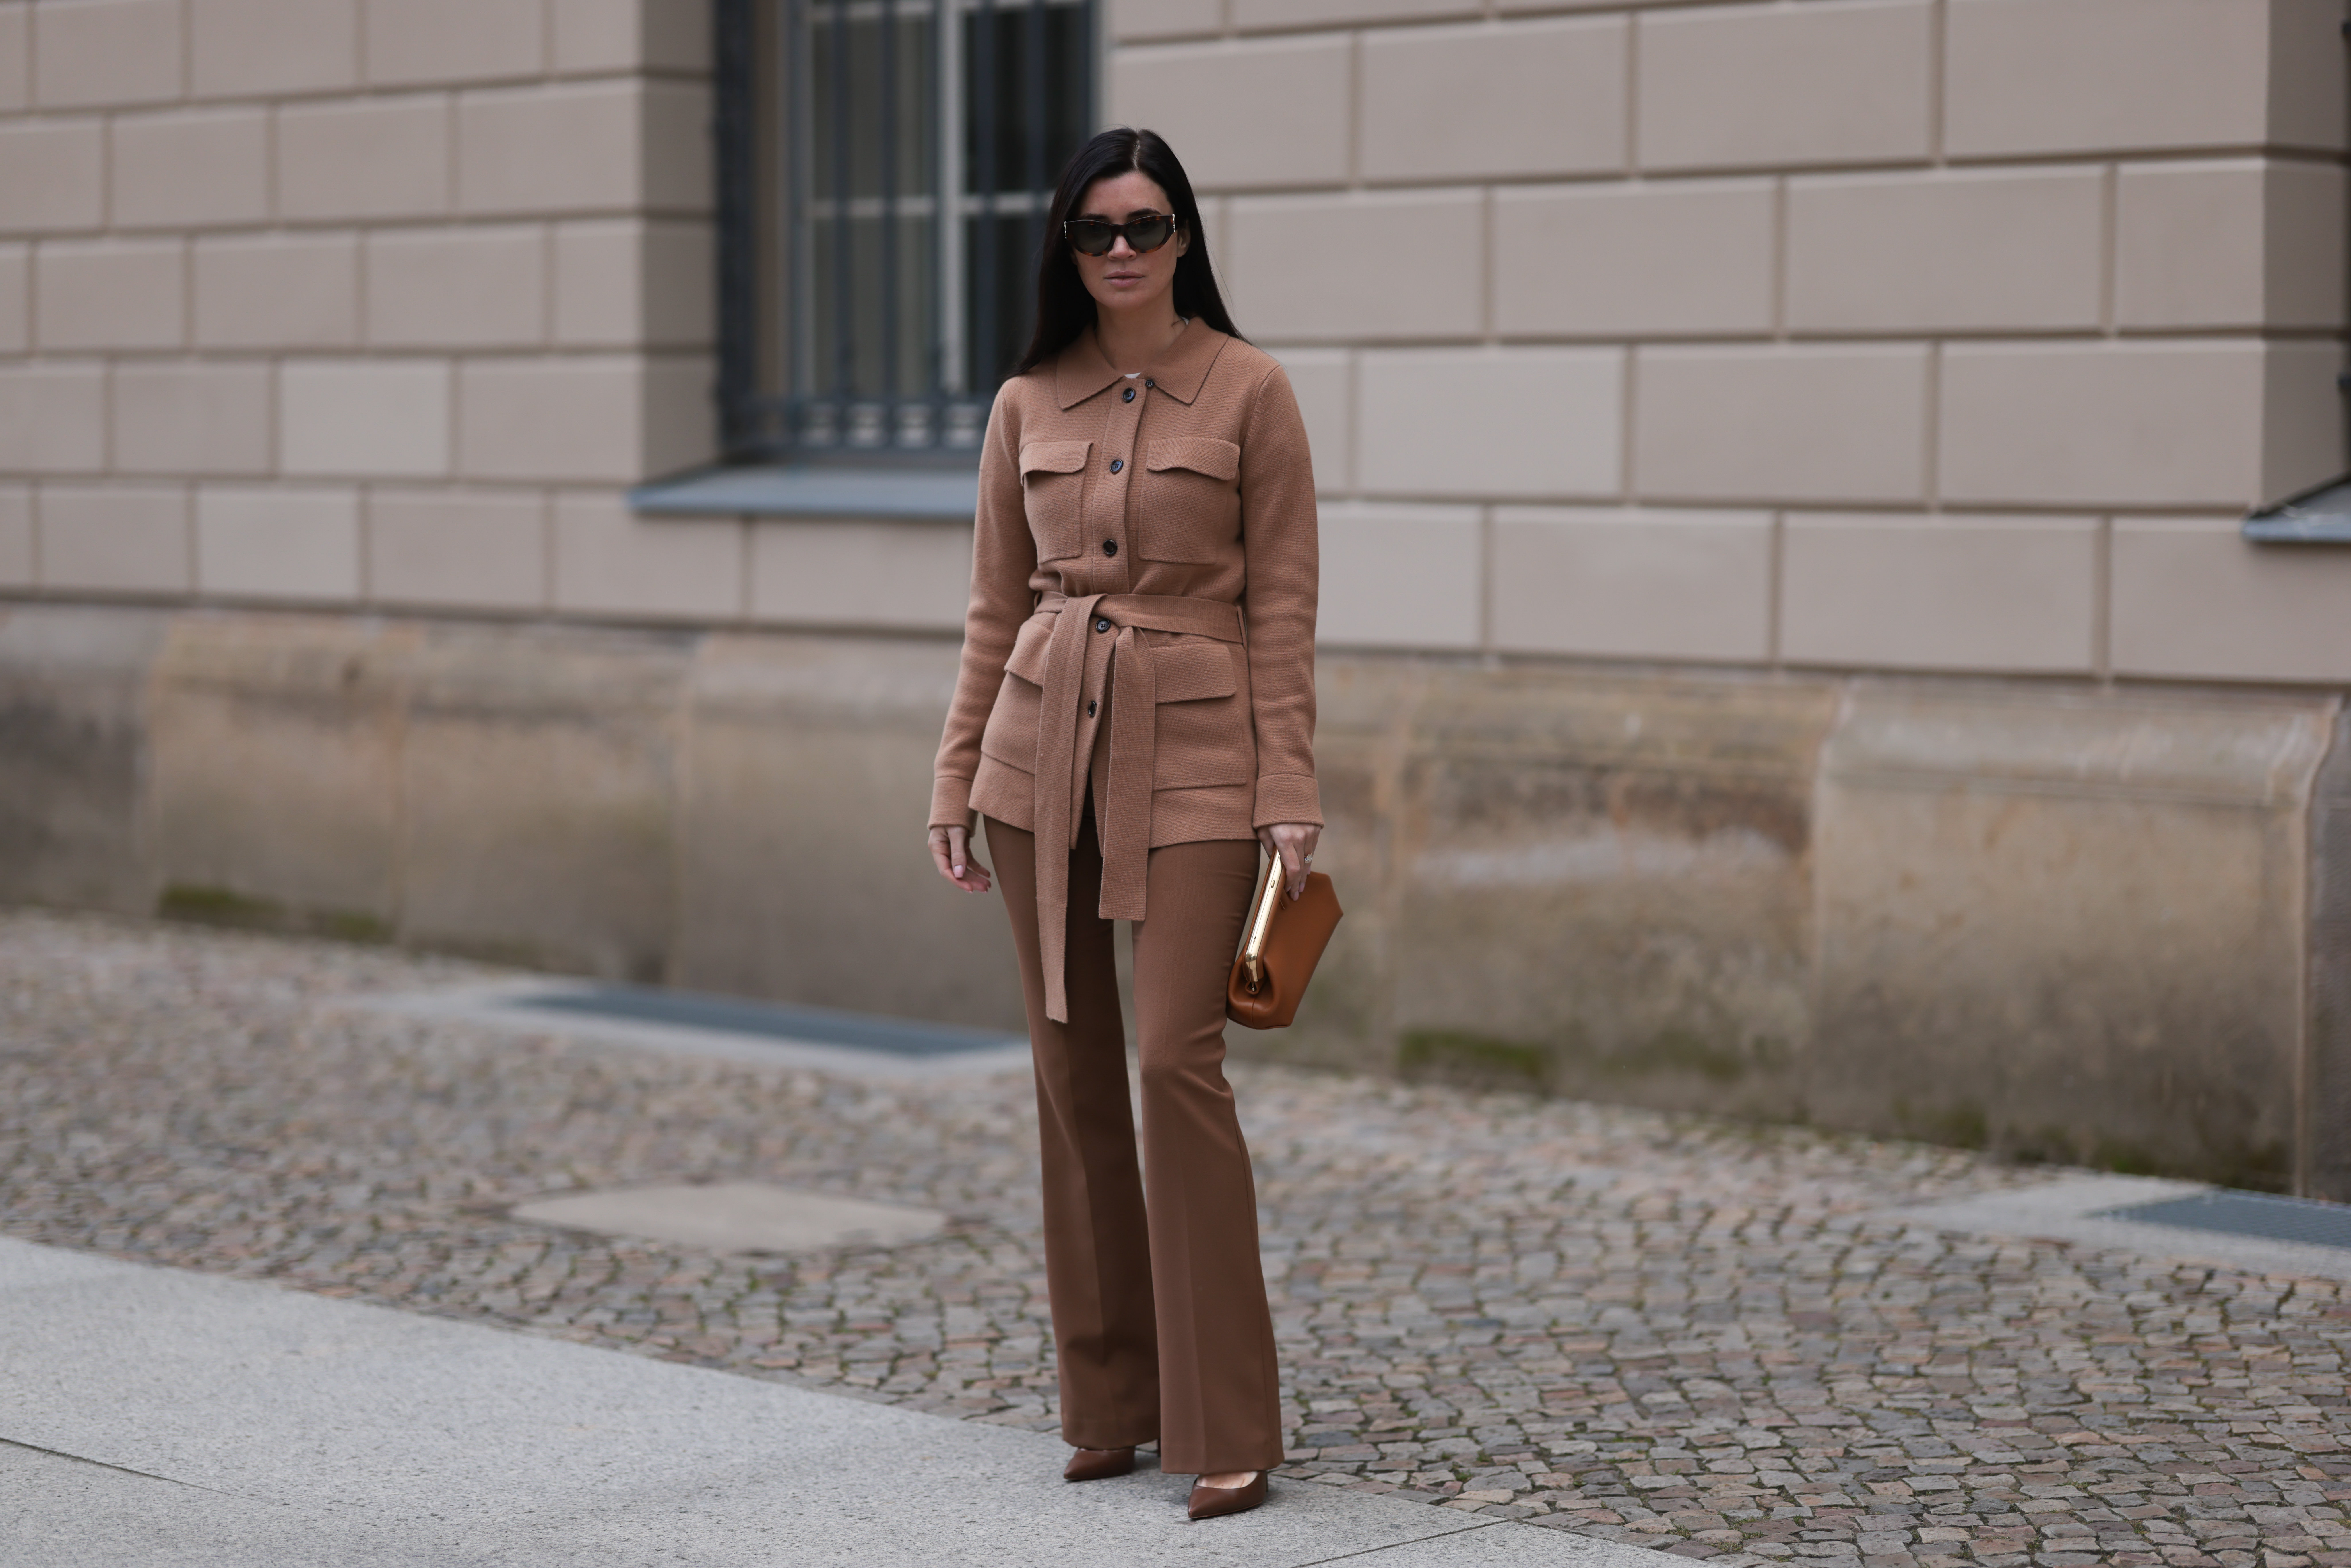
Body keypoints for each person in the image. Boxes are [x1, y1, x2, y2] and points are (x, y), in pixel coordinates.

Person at [926, 126, 1321, 1522]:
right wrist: (957, 773)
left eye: (1145, 227)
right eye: (1094, 231)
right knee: (1070, 1071)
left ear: (1183, 237)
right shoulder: (1026, 399)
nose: (1119, 253)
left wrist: (1289, 796)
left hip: (1203, 747)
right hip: (1041, 747)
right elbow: (991, 606)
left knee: (1172, 1062)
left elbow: (1281, 608)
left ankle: (1229, 1421)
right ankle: (1108, 1404)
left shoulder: (1252, 389)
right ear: (1065, 249)